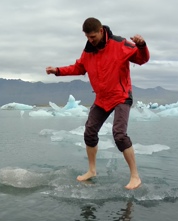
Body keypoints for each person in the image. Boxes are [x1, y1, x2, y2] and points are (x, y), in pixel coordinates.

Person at [46, 17, 150, 190]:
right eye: (87, 37)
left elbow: (141, 59)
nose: (90, 40)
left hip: (121, 96)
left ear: (101, 31)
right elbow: (78, 68)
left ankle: (135, 176)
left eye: (93, 37)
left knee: (119, 135)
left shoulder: (120, 44)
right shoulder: (88, 52)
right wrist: (57, 71)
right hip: (102, 99)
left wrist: (142, 45)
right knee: (89, 133)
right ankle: (92, 171)